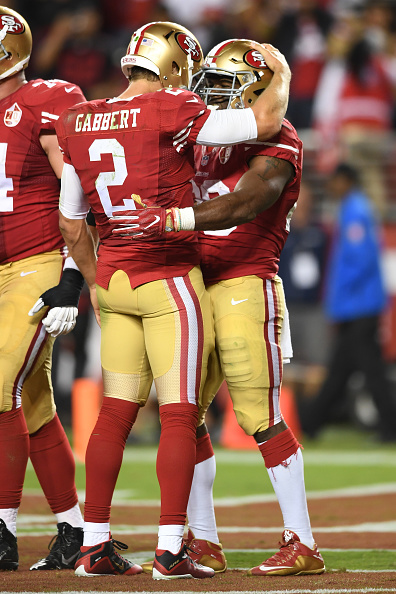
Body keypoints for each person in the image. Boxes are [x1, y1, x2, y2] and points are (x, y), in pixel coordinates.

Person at [54, 21, 291, 580]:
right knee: (181, 413)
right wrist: (277, 70)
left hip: (111, 279)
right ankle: (169, 549)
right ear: (173, 68)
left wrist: (96, 278)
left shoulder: (76, 119)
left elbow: (70, 222)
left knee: (114, 412)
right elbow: (265, 120)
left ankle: (94, 544)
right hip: (165, 275)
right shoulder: (171, 108)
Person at [112, 37, 325, 577]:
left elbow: (248, 200)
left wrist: (176, 219)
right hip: (189, 280)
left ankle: (302, 541)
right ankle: (203, 539)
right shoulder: (200, 134)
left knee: (257, 412)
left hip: (244, 280)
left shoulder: (281, 138)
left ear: (258, 89)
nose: (210, 92)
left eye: (226, 84)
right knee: (185, 412)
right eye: (207, 79)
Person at [0, 5, 88, 572]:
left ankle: (2, 531)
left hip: (35, 263)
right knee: (32, 403)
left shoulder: (41, 99)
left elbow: (80, 183)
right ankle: (73, 529)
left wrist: (73, 275)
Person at [301, 163, 396, 443]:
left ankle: (389, 427)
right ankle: (312, 423)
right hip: (356, 305)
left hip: (358, 306)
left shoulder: (355, 211)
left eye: (335, 181)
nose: (330, 186)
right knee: (342, 369)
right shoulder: (354, 208)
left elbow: (359, 261)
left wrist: (337, 297)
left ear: (346, 181)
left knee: (369, 370)